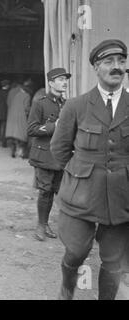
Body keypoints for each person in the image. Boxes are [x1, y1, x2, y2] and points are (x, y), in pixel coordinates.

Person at [51, 39, 129, 300]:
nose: (116, 67)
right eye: (108, 62)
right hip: (81, 195)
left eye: (121, 61)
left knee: (114, 261)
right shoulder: (77, 105)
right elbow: (60, 149)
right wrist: (78, 175)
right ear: (97, 67)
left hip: (121, 198)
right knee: (75, 252)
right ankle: (66, 288)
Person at [27, 68, 71, 241]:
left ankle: (45, 224)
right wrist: (55, 125)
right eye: (60, 79)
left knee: (54, 191)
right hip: (44, 155)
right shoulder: (40, 103)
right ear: (51, 83)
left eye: (65, 79)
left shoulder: (67, 104)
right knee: (45, 191)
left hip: (61, 156)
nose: (64, 82)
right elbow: (31, 129)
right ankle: (40, 225)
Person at [5, 78, 31, 158]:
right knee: (21, 135)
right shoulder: (27, 96)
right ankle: (21, 153)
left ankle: (13, 151)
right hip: (21, 118)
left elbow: (8, 103)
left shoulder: (16, 95)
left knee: (13, 136)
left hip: (12, 117)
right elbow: (26, 108)